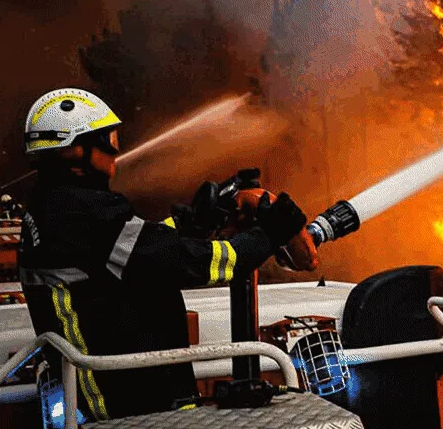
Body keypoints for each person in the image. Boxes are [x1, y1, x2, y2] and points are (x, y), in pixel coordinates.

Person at [17, 88, 308, 420]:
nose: (115, 151)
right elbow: (189, 264)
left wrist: (194, 222)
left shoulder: (55, 206)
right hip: (128, 402)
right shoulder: (82, 212)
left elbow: (139, 249)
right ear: (75, 152)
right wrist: (267, 236)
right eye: (107, 141)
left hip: (132, 389)